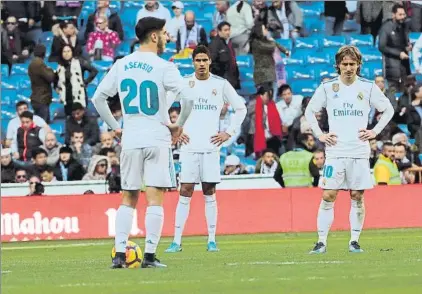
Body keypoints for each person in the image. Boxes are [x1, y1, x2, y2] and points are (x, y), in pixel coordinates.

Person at [92, 17, 197, 269]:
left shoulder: (122, 64)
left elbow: (98, 98)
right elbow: (188, 98)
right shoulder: (164, 67)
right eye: (163, 33)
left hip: (131, 138)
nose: (166, 37)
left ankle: (119, 255)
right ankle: (149, 256)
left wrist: (116, 128)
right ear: (153, 36)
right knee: (154, 198)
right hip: (157, 137)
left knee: (127, 197)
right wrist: (178, 125)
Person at [304, 45, 394, 254]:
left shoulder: (368, 87)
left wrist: (375, 131)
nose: (348, 68)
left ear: (359, 65)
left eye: (352, 64)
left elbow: (388, 109)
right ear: (338, 65)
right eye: (344, 64)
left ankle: (354, 241)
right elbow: (310, 111)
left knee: (357, 195)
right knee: (328, 195)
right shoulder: (328, 88)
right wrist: (320, 135)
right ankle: (321, 242)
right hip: (335, 151)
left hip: (359, 151)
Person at [165, 45, 246, 253]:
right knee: (185, 191)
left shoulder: (220, 85)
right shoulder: (184, 84)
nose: (201, 64)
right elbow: (163, 106)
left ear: (210, 61)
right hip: (189, 146)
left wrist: (228, 132)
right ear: (192, 62)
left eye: (204, 60)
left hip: (211, 146)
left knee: (210, 192)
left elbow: (241, 107)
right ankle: (176, 240)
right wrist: (174, 131)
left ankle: (211, 239)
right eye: (198, 60)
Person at [28, 44, 56, 123]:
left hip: (37, 98)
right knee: (42, 125)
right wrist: (51, 71)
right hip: (41, 98)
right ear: (44, 53)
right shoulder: (39, 64)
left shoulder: (32, 63)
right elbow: (50, 77)